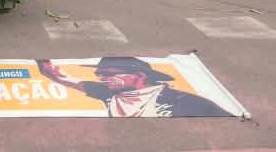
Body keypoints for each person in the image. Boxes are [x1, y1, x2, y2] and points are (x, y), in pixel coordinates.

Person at [37, 57, 231, 118]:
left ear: (140, 75)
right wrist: (44, 65)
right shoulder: (105, 92)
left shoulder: (183, 101)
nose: (102, 78)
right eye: (99, 74)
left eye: (109, 73)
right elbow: (62, 78)